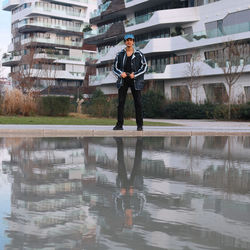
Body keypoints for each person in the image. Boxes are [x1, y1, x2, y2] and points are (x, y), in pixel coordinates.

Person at [113, 34, 147, 131]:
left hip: (135, 81)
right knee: (121, 103)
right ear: (125, 42)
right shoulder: (119, 54)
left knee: (138, 103)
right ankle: (119, 125)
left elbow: (144, 67)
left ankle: (139, 126)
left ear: (133, 42)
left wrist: (135, 74)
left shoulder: (139, 54)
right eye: (127, 40)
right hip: (123, 80)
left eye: (131, 40)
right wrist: (120, 73)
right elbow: (114, 67)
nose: (129, 42)